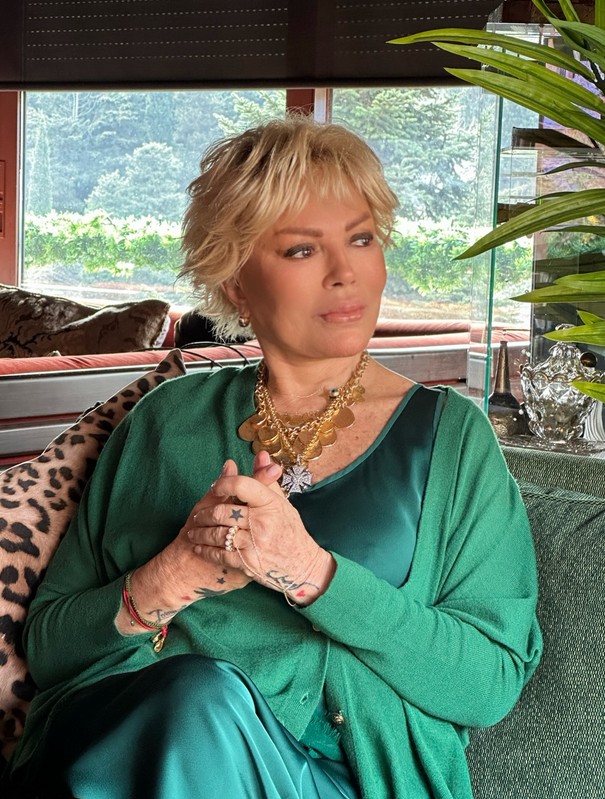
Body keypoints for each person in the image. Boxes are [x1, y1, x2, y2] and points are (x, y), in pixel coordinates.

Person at [9, 116, 542, 799]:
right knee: (194, 700)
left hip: (339, 778)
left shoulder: (452, 439)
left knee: (200, 702)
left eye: (361, 239)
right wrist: (173, 575)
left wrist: (309, 571)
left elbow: (487, 685)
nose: (345, 273)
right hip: (133, 755)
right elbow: (52, 648)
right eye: (302, 250)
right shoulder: (166, 421)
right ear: (236, 281)